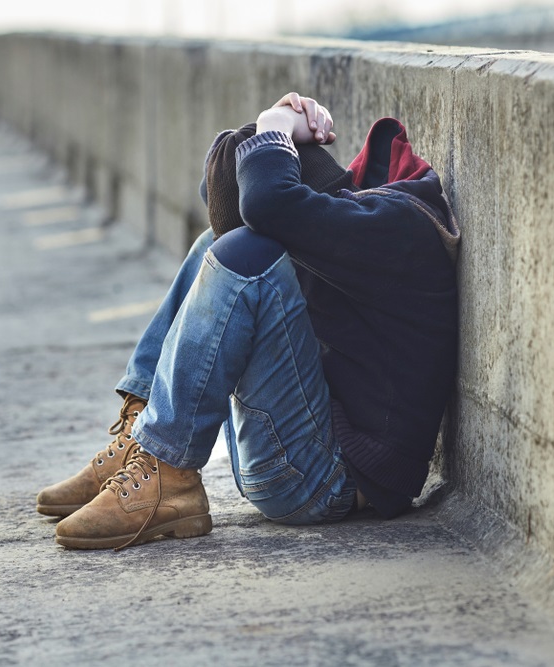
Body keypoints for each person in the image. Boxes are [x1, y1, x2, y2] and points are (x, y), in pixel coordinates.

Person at [36, 93, 460, 550]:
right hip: (291, 454)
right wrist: (265, 136)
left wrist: (273, 124)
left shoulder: (392, 225)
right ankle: (143, 442)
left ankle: (169, 476)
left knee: (244, 255)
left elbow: (266, 204)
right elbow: (244, 207)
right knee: (213, 248)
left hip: (326, 483)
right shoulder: (343, 217)